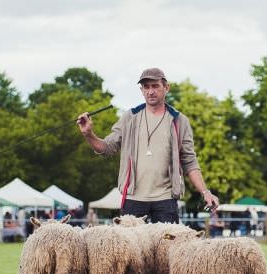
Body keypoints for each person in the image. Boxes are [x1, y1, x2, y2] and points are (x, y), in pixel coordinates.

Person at [77, 67, 219, 223]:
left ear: (166, 88)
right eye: (146, 87)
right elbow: (106, 148)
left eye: (155, 86)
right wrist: (88, 134)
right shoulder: (129, 117)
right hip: (133, 198)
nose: (150, 91)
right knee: (130, 247)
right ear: (141, 90)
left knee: (169, 247)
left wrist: (205, 192)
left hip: (166, 199)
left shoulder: (179, 121)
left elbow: (190, 162)